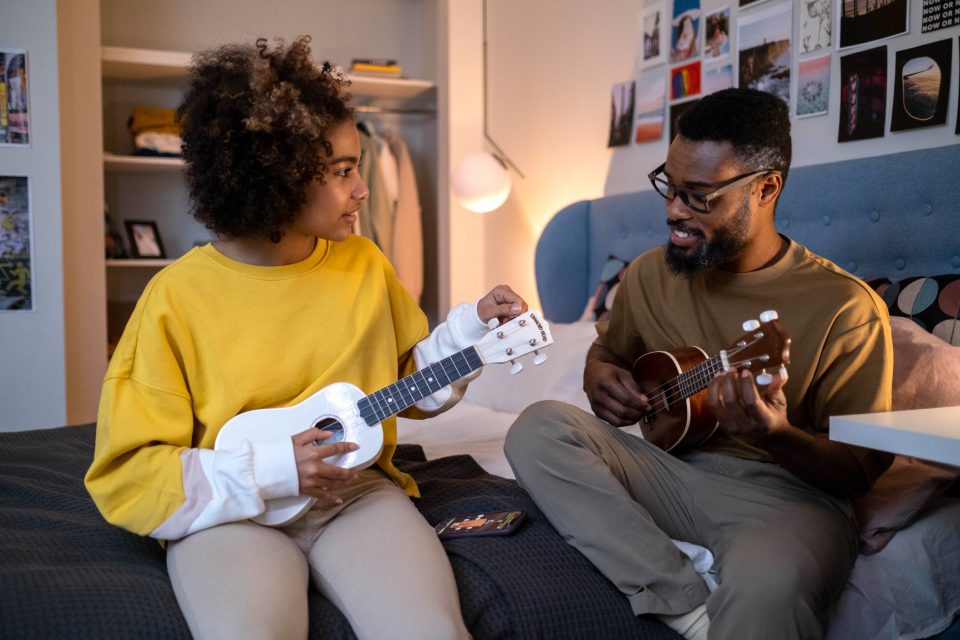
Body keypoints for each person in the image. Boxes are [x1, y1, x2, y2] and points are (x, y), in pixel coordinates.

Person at [85, 36, 527, 640]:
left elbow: (408, 387)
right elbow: (130, 475)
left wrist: (471, 328)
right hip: (232, 515)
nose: (362, 190)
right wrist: (269, 469)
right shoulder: (174, 299)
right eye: (344, 172)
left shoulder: (366, 265)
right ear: (277, 177)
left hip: (355, 496)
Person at [504, 88, 893, 640]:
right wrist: (598, 373)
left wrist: (778, 434)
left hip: (785, 500)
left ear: (766, 188)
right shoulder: (647, 275)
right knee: (538, 427)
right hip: (668, 472)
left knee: (768, 590)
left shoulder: (845, 307)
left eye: (699, 196)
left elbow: (860, 470)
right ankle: (686, 609)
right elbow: (609, 350)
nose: (674, 212)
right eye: (670, 186)